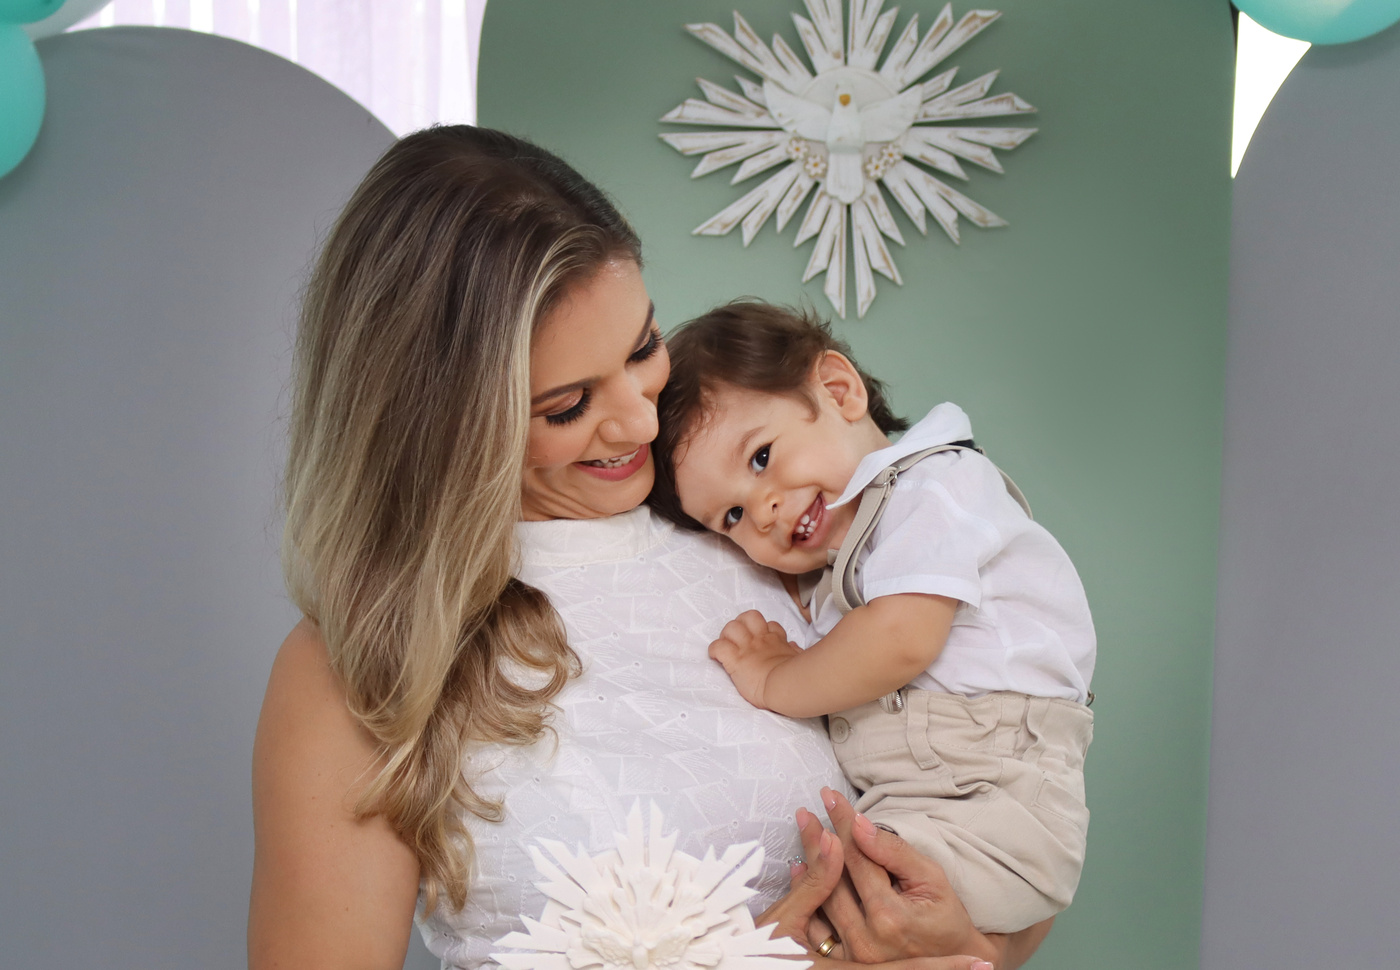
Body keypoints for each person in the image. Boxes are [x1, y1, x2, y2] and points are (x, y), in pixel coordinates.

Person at [247, 126, 1053, 970]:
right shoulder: (363, 667)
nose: (640, 421)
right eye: (568, 406)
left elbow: (1006, 810)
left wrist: (969, 943)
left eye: (642, 349)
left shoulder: (763, 534)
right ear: (441, 422)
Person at [647, 301, 1096, 934]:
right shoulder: (843, 563)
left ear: (838, 390)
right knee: (820, 909)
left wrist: (776, 677)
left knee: (825, 917)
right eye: (733, 517)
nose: (763, 509)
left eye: (761, 458)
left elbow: (901, 639)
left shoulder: (936, 484)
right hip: (933, 801)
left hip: (994, 796)